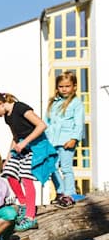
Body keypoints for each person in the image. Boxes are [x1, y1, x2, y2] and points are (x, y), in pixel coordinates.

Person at [0, 91, 56, 232]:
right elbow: (15, 136)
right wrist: (8, 158)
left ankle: (30, 217)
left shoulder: (21, 108)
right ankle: (23, 204)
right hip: (22, 147)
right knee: (9, 172)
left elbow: (41, 125)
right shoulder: (7, 117)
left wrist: (24, 143)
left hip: (36, 146)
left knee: (26, 178)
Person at [45, 71, 84, 209]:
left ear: (74, 86)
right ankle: (60, 191)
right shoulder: (53, 103)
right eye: (61, 86)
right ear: (57, 87)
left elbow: (79, 123)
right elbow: (47, 122)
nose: (64, 89)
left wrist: (74, 138)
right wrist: (45, 139)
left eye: (67, 86)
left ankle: (70, 193)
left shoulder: (76, 103)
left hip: (67, 140)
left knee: (66, 168)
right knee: (51, 167)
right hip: (52, 141)